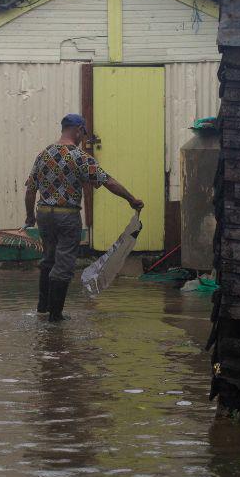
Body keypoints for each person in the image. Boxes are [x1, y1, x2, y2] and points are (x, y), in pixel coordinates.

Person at [24, 113, 144, 322]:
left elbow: (30, 190)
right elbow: (108, 181)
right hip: (67, 216)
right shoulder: (79, 157)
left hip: (43, 214)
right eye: (83, 134)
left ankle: (42, 308)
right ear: (78, 129)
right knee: (63, 264)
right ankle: (55, 316)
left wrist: (29, 218)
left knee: (49, 259)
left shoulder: (43, 154)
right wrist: (131, 199)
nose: (83, 138)